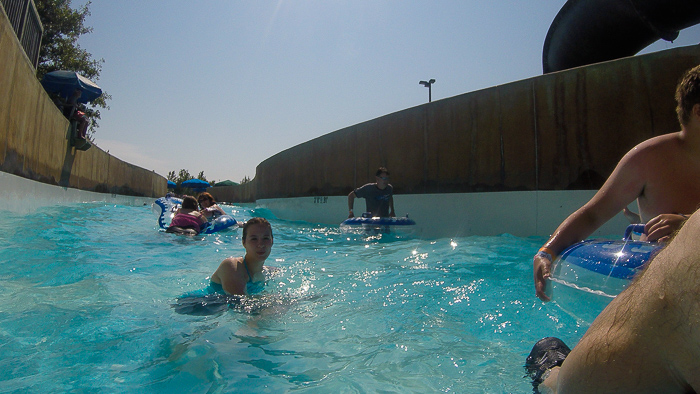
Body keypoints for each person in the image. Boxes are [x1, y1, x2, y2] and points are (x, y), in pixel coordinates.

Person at [534, 64, 700, 301]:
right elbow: (592, 215)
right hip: (661, 292)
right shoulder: (648, 159)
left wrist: (688, 223)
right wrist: (546, 252)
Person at [528, 209, 700, 393]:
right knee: (557, 383)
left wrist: (684, 219)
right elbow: (593, 213)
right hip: (592, 381)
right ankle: (549, 370)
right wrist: (545, 253)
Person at [210, 217, 273, 295]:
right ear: (244, 242)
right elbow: (239, 302)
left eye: (266, 238)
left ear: (272, 241)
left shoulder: (269, 273)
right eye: (254, 239)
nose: (260, 244)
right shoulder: (232, 266)